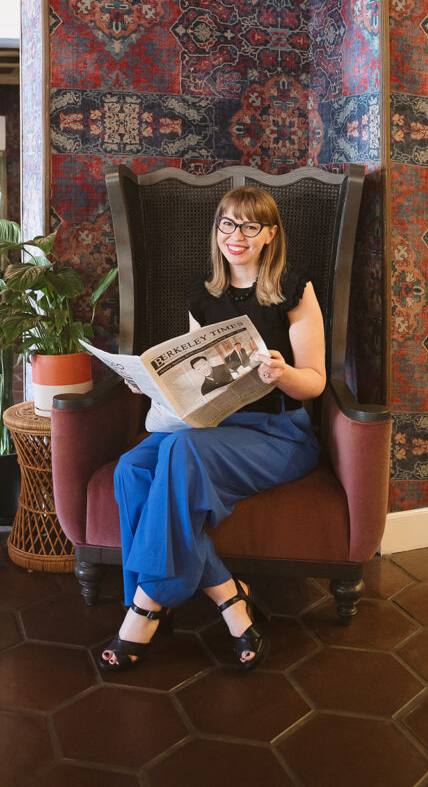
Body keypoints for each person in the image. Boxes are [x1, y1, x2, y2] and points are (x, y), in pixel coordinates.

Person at [100, 186, 326, 672]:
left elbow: (316, 382)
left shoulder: (295, 290)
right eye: (227, 223)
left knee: (179, 452)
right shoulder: (202, 297)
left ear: (269, 234)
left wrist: (282, 373)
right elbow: (196, 383)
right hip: (212, 428)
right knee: (130, 469)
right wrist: (156, 386)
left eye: (249, 226)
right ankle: (230, 595)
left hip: (278, 434)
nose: (236, 235)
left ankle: (144, 611)